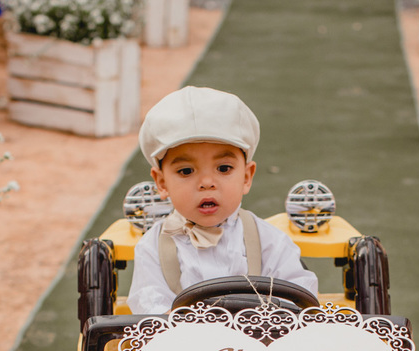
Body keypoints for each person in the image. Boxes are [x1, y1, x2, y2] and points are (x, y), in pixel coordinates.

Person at [126, 86, 318, 314]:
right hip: (185, 336)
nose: (207, 182)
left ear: (246, 177)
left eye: (223, 168)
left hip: (259, 335)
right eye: (186, 171)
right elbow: (149, 305)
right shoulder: (152, 248)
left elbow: (300, 296)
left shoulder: (270, 241)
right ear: (162, 183)